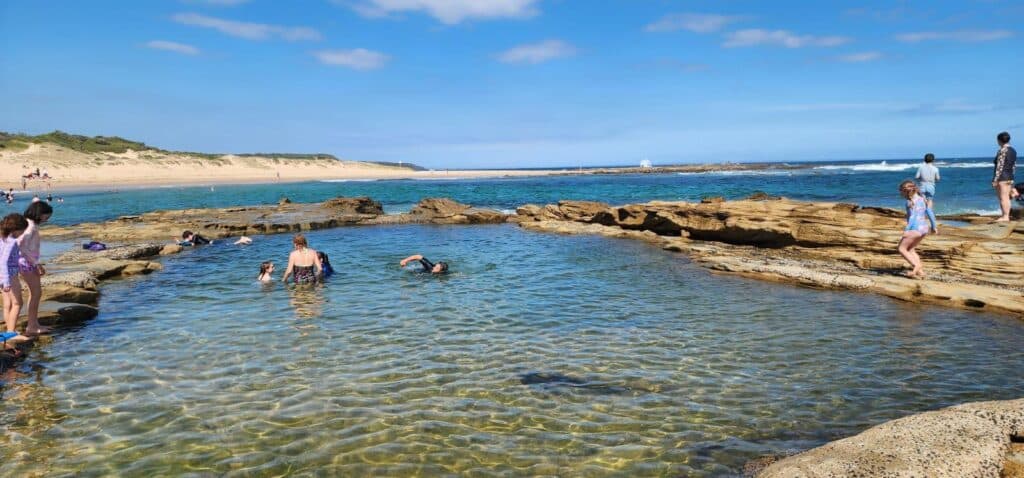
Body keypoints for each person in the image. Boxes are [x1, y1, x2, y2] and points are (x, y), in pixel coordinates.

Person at [18, 201, 53, 336]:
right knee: (36, 293)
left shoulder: (26, 223)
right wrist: (36, 263)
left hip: (27, 262)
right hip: (26, 263)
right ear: (40, 213)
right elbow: (20, 245)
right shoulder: (29, 226)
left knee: (35, 293)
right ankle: (31, 326)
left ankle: (34, 323)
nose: (47, 219)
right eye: (46, 216)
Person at [897, 180, 938, 279]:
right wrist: (934, 226)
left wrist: (907, 230)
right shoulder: (923, 199)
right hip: (924, 228)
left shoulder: (909, 202)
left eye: (901, 192)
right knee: (910, 249)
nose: (901, 194)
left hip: (914, 229)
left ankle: (916, 266)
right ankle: (921, 273)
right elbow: (930, 212)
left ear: (906, 191)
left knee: (901, 248)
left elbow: (912, 217)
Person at [0, 214, 29, 343]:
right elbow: (4, 261)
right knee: (18, 303)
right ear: (16, 229)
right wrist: (6, 281)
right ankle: (11, 333)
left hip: (1, 275)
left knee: (8, 304)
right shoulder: (11, 242)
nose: (22, 233)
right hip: (9, 275)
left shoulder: (2, 238)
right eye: (23, 231)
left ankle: (9, 331)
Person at [993, 131, 1017, 222]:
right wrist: (1012, 176)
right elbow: (1014, 165)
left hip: (1002, 177)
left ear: (999, 140)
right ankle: (1005, 215)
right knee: (1006, 197)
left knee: (1003, 198)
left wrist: (995, 179)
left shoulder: (1002, 150)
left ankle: (1005, 216)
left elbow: (1000, 165)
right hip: (1009, 176)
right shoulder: (1013, 150)